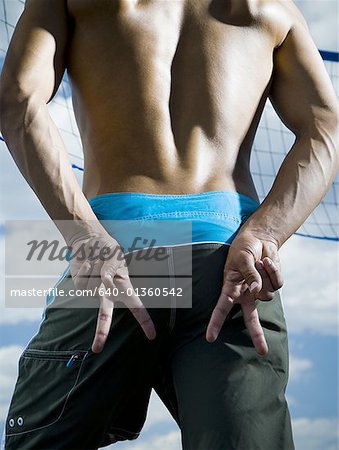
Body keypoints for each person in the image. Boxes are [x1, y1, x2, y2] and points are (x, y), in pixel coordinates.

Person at [0, 0, 337, 449]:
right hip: (227, 261)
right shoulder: (271, 8)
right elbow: (326, 126)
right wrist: (264, 235)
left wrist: (86, 238)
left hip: (118, 252)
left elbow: (19, 101)